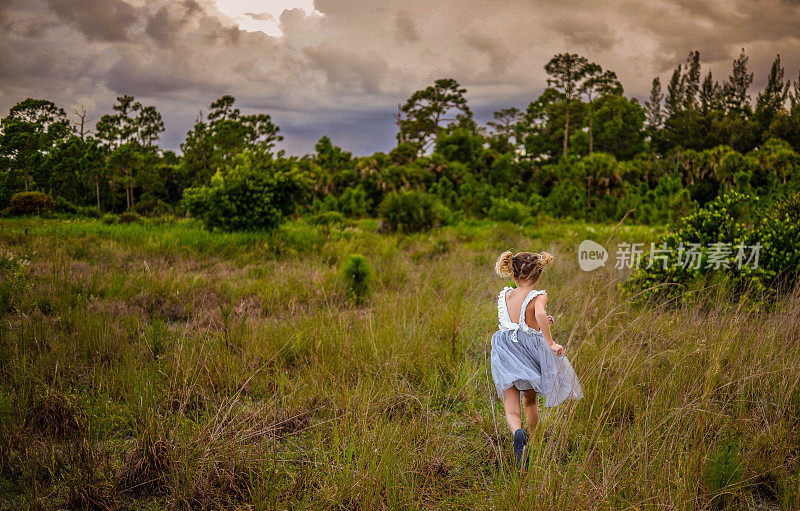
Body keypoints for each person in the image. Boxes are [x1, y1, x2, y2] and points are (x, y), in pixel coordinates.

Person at [490, 250, 583, 467]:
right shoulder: (539, 296)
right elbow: (537, 315)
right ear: (538, 275)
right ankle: (534, 441)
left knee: (510, 404)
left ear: (512, 273)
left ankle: (517, 433)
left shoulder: (505, 295)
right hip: (527, 354)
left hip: (505, 352)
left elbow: (518, 321)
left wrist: (540, 321)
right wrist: (550, 343)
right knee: (530, 401)